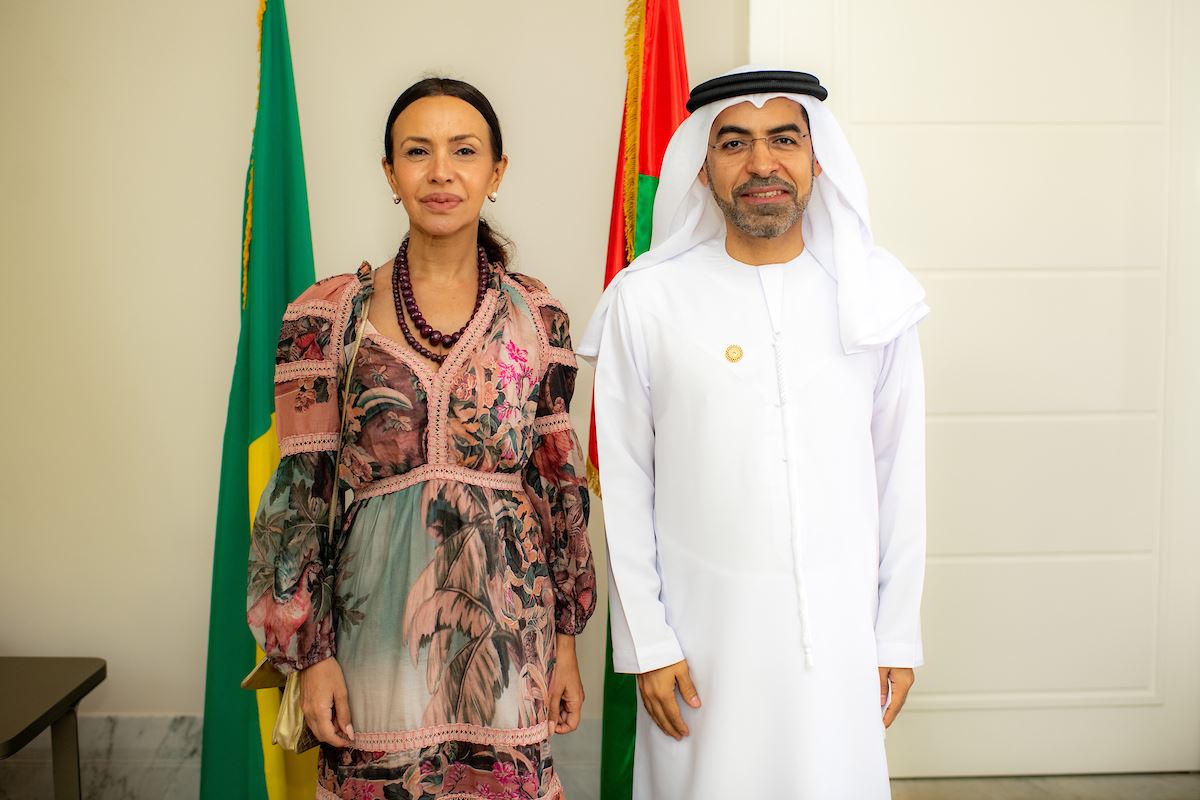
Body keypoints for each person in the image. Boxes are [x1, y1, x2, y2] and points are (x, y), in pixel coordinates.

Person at [579, 66, 929, 799]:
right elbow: (626, 486)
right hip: (701, 650)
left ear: (816, 160)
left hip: (838, 643)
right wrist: (648, 642)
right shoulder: (646, 301)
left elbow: (902, 478)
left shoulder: (874, 299)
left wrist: (895, 634)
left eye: (784, 140)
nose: (762, 163)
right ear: (701, 168)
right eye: (734, 142)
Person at [248, 77, 597, 800]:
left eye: (464, 151)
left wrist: (565, 643)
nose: (442, 172)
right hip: (372, 651)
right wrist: (310, 657)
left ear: (495, 172)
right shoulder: (325, 316)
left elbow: (559, 493)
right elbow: (299, 505)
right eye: (418, 151)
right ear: (390, 173)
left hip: (510, 649)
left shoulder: (538, 317)